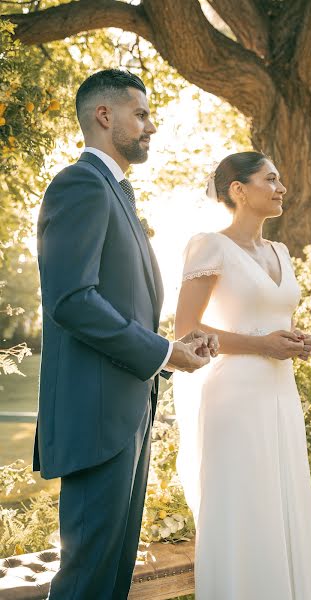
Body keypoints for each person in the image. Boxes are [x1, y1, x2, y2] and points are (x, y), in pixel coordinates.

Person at [33, 69, 217, 600]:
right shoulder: (80, 184)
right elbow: (71, 300)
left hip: (125, 410)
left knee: (111, 578)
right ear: (104, 115)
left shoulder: (115, 192)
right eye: (141, 114)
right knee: (86, 579)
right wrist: (163, 352)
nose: (151, 126)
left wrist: (172, 347)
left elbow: (116, 305)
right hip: (96, 417)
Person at [173, 150, 311, 599]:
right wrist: (261, 344)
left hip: (280, 392)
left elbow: (268, 314)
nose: (281, 188)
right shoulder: (210, 244)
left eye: (280, 180)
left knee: (281, 499)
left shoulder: (279, 250)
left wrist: (296, 339)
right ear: (238, 190)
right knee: (247, 505)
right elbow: (186, 330)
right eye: (271, 179)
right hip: (235, 396)